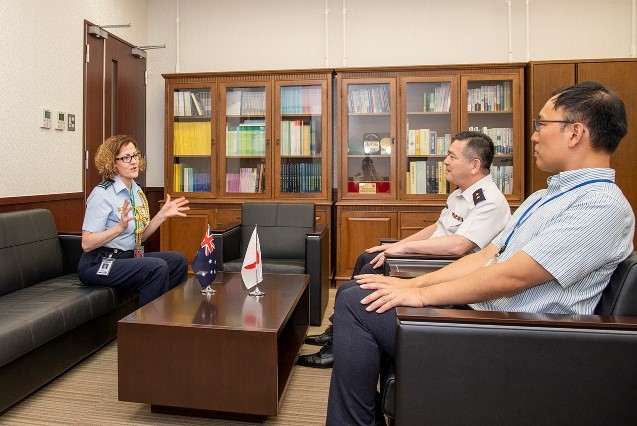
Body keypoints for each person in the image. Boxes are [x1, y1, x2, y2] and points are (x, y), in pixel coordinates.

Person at [326, 81, 635, 425]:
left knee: (357, 303)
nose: (533, 136)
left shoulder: (600, 206)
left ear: (575, 132)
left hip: (509, 338)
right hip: (482, 317)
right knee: (357, 291)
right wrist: (412, 287)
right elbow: (486, 254)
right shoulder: (544, 197)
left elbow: (512, 275)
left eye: (541, 125)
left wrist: (420, 295)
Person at [298, 130, 511, 368]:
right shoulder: (460, 194)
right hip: (429, 258)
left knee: (355, 284)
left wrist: (404, 249)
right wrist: (396, 246)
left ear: (474, 165)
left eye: (452, 156)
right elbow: (437, 227)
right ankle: (338, 331)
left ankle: (339, 344)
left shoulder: (489, 201)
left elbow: (459, 246)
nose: (445, 161)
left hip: (444, 269)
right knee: (368, 256)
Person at [78, 135, 190, 306]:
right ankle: (147, 329)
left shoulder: (135, 190)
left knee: (178, 261)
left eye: (135, 155)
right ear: (113, 163)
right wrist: (118, 228)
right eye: (126, 158)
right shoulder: (102, 194)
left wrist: (161, 215)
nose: (133, 161)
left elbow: (139, 237)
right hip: (99, 262)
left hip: (126, 256)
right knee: (157, 267)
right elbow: (86, 243)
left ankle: (167, 319)